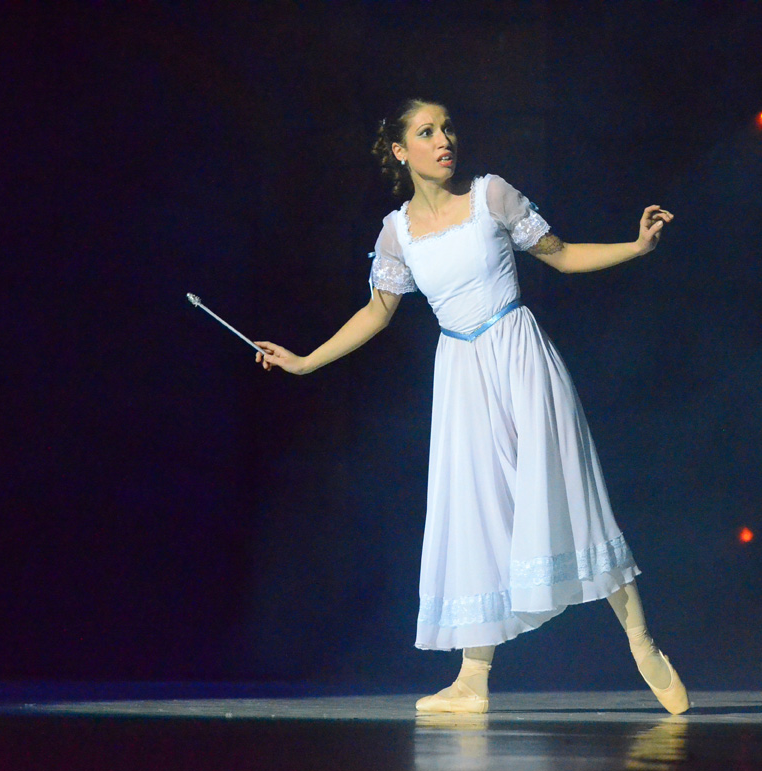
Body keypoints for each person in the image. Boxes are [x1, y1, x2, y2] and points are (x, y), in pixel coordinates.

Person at [253, 99, 687, 715]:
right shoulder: (397, 233)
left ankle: (641, 643)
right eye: (427, 132)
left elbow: (562, 255)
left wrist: (636, 247)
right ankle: (472, 678)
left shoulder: (491, 195)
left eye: (447, 128)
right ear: (400, 151)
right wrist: (304, 361)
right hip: (462, 375)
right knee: (474, 513)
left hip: (520, 356)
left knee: (568, 492)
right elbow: (377, 312)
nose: (444, 140)